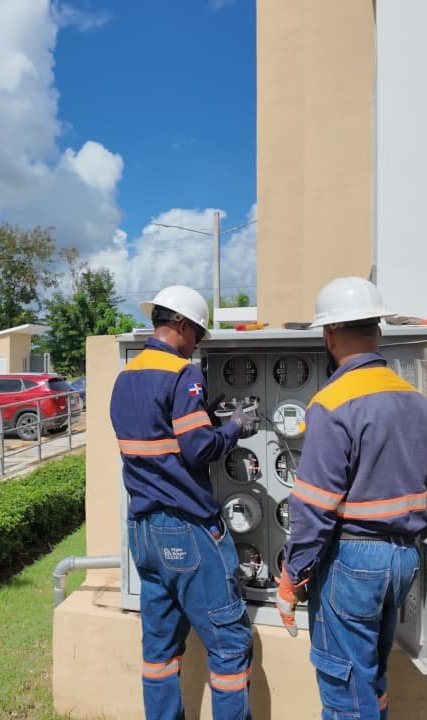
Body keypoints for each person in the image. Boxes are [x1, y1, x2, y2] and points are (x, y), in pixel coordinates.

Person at [275, 276, 427, 720]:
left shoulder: (332, 402)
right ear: (378, 332)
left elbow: (313, 505)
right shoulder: (415, 399)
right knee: (370, 679)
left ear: (328, 335)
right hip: (402, 560)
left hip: (352, 563)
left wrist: (293, 575)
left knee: (344, 687)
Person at [110, 284, 260, 720]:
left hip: (143, 528)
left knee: (159, 650)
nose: (198, 344)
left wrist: (205, 417)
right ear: (180, 325)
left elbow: (160, 440)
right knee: (230, 644)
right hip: (186, 528)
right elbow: (197, 449)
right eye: (198, 334)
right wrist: (234, 427)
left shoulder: (127, 376)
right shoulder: (183, 373)